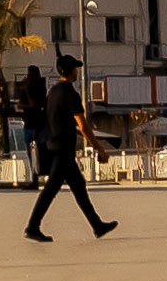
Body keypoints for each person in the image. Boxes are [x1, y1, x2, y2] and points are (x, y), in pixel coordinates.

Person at [25, 74, 114, 247]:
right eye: (75, 68)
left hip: (54, 145)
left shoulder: (53, 92)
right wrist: (99, 147)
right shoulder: (69, 93)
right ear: (71, 71)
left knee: (78, 187)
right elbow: (83, 124)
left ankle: (97, 225)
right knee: (51, 189)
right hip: (63, 149)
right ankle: (32, 227)